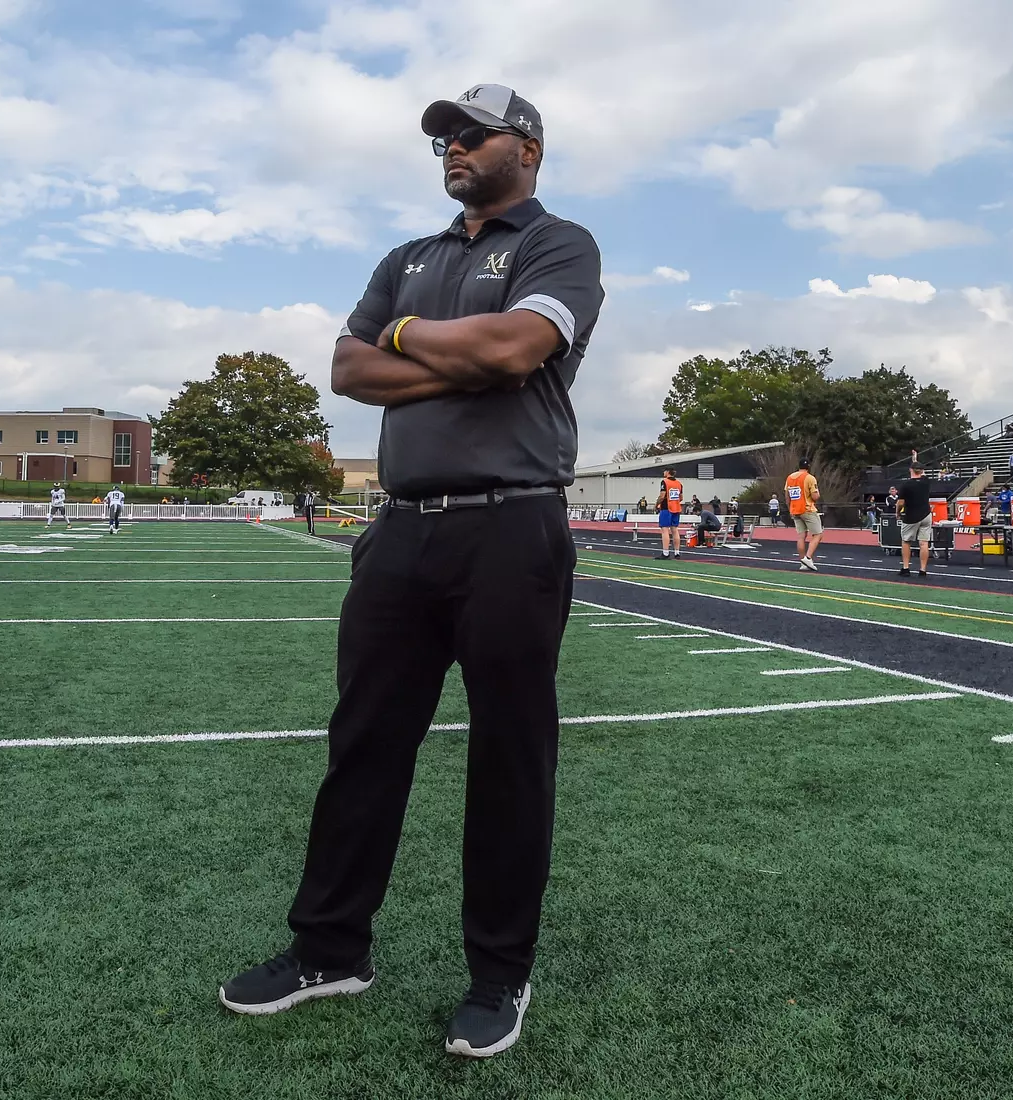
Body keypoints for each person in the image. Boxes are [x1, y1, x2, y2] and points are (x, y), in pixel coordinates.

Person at [217, 82, 603, 1059]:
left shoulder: (559, 244)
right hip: (400, 531)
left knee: (510, 756)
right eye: (442, 138)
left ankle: (498, 974)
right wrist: (451, 354)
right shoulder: (407, 258)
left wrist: (410, 340)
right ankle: (329, 949)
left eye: (471, 133)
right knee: (364, 743)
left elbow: (515, 347)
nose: (452, 148)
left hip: (511, 526)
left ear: (528, 148)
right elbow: (347, 371)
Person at [895, 464, 934, 577]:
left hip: (911, 516)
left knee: (906, 541)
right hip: (926, 514)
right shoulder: (926, 482)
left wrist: (897, 513)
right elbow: (923, 473)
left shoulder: (906, 485)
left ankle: (906, 568)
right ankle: (923, 570)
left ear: (910, 470)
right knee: (924, 542)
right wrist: (915, 459)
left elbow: (900, 503)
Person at [785, 457, 822, 570]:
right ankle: (808, 558)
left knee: (801, 536)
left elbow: (787, 496)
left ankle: (802, 563)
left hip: (795, 510)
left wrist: (790, 508)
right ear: (808, 466)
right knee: (818, 534)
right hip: (807, 509)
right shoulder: (810, 478)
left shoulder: (790, 477)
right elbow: (815, 496)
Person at [655, 467, 684, 560]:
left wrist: (657, 504)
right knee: (675, 530)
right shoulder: (679, 483)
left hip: (666, 508)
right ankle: (677, 552)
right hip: (676, 508)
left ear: (667, 472)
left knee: (665, 530)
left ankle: (665, 553)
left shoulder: (665, 482)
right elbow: (681, 498)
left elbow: (662, 496)